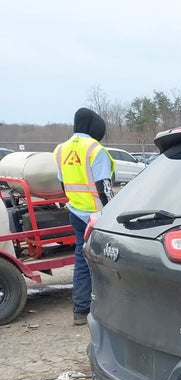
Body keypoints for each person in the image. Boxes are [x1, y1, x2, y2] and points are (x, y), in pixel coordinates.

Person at [53, 108, 115, 325]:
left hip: (75, 212)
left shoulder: (60, 150)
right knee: (108, 259)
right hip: (97, 215)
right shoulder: (95, 149)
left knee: (82, 259)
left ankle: (80, 309)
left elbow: (63, 184)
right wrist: (111, 212)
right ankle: (110, 307)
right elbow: (103, 186)